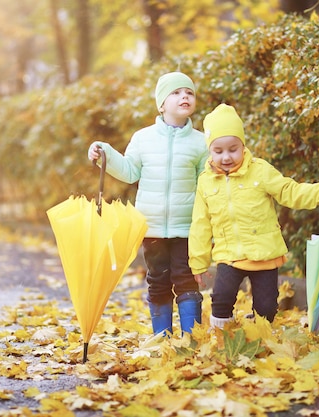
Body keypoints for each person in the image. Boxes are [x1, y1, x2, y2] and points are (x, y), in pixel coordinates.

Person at [188, 103, 319, 329]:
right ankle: (222, 339)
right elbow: (200, 224)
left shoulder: (260, 171)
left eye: (233, 149)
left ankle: (260, 336)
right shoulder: (205, 181)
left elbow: (289, 191)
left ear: (243, 145)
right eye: (218, 150)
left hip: (264, 254)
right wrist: (198, 262)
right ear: (209, 150)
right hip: (229, 254)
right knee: (221, 299)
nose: (226, 157)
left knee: (266, 308)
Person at [87, 72, 209, 336]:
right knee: (157, 281)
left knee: (187, 281)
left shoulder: (201, 142)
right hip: (151, 227)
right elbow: (130, 171)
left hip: (187, 228)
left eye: (189, 92)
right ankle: (161, 338)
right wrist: (104, 153)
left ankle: (191, 340)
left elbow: (206, 186)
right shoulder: (143, 138)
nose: (184, 97)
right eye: (175, 93)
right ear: (161, 104)